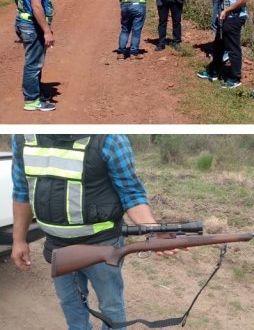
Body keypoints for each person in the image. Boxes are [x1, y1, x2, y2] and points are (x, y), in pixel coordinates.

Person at [10, 134, 180, 330]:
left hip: (103, 246)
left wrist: (153, 230)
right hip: (57, 247)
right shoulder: (23, 137)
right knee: (70, 305)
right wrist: (18, 240)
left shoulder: (110, 138)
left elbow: (131, 193)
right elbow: (22, 191)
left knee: (111, 308)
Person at [197, 0, 249, 89]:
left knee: (233, 49)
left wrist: (227, 10)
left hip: (233, 18)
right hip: (225, 17)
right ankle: (213, 71)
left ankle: (235, 78)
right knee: (218, 45)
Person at [13, 0, 56, 112]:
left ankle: (36, 94)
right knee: (33, 63)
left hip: (23, 20)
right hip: (32, 24)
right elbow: (36, 5)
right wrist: (46, 31)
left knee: (34, 61)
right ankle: (31, 100)